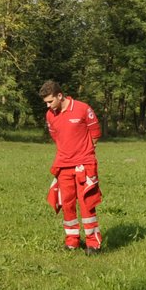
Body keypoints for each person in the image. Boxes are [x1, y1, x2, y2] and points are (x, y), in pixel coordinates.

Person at [40, 79, 103, 251]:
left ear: (60, 96)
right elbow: (56, 136)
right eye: (46, 103)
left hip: (85, 165)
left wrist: (84, 153)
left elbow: (96, 133)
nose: (48, 106)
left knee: (87, 204)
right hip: (63, 166)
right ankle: (72, 241)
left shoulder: (83, 108)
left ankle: (93, 244)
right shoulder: (50, 115)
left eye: (50, 101)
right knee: (66, 204)